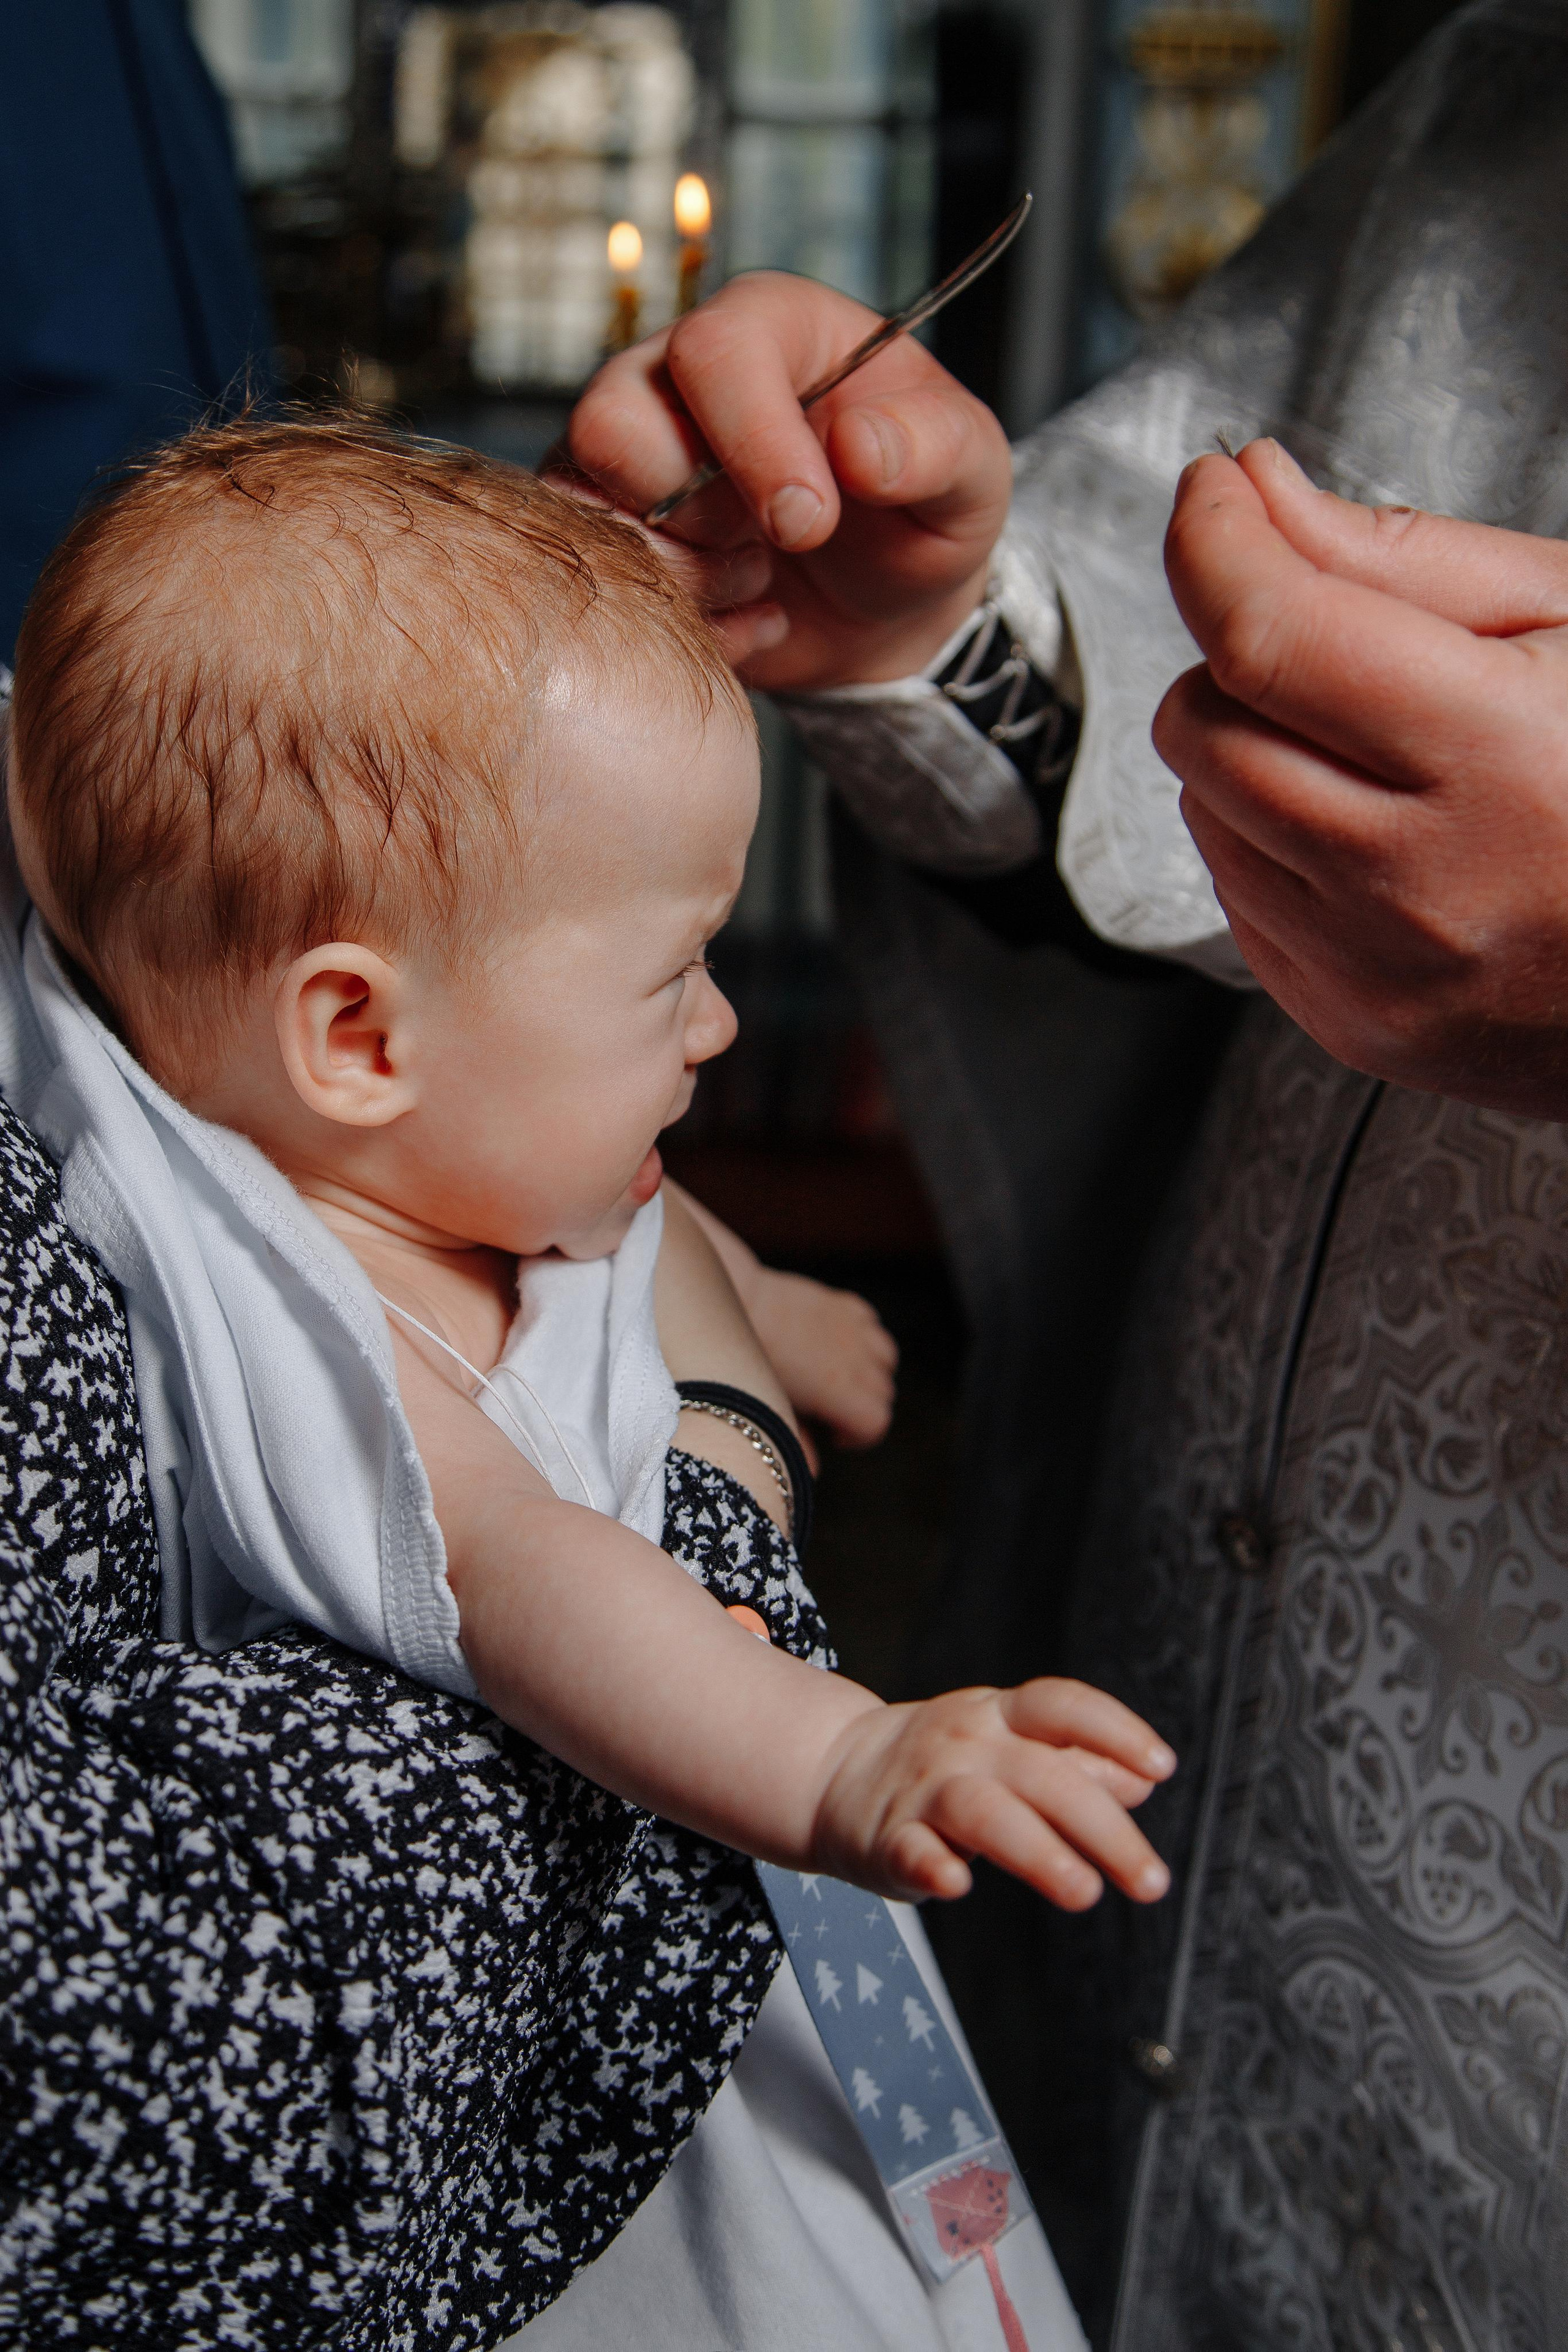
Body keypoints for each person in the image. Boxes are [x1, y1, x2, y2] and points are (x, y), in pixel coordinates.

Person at [564, 2, 1568, 2344]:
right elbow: (1140, 688)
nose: (709, 1032)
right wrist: (929, 625)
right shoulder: (1512, 92)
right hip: (1198, 1677)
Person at [4, 412, 1174, 2348]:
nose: (718, 1023)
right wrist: (836, 1756)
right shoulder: (347, 1343)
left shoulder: (441, 1142)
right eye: (671, 974)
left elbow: (625, 1206)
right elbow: (528, 1571)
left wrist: (755, 1297)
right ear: (355, 1032)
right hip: (649, 2002)